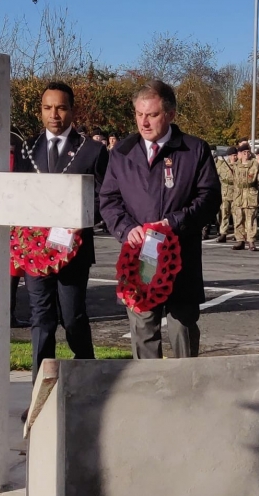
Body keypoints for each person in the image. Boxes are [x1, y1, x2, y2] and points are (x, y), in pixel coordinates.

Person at [100, 79, 221, 359]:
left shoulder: (194, 150)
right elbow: (108, 200)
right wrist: (126, 228)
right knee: (143, 328)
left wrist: (175, 223)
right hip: (139, 259)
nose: (144, 122)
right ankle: (150, 396)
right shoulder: (122, 152)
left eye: (152, 114)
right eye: (139, 114)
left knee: (182, 329)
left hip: (181, 259)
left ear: (170, 114)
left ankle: (186, 393)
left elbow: (209, 198)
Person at [13, 81, 109, 383]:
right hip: (35, 252)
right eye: (47, 108)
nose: (54, 114)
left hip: (73, 251)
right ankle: (40, 388)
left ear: (72, 110)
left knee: (72, 318)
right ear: (40, 111)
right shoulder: (27, 149)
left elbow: (103, 196)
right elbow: (18, 193)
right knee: (41, 320)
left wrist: (73, 220)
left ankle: (88, 379)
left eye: (61, 107)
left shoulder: (92, 150)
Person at [231, 141, 259, 251]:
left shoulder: (255, 164)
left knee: (251, 220)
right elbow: (235, 181)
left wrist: (253, 191)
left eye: (248, 152)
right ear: (240, 153)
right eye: (244, 152)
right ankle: (240, 240)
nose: (246, 154)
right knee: (239, 219)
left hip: (250, 194)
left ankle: (251, 241)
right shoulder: (236, 165)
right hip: (239, 195)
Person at [215, 146, 237, 243]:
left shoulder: (239, 166)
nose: (234, 157)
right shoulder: (223, 166)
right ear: (229, 156)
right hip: (225, 193)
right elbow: (216, 176)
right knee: (224, 214)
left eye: (235, 155)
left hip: (237, 194)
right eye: (232, 155)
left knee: (237, 215)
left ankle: (238, 234)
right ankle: (223, 233)